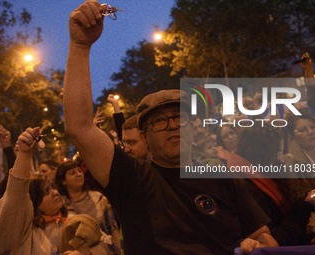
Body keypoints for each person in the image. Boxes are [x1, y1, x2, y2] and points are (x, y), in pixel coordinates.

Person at [63, 2, 278, 254]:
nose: (173, 125)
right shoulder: (131, 178)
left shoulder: (222, 178)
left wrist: (256, 245)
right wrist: (80, 45)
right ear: (143, 136)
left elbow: (264, 238)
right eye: (160, 120)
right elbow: (79, 127)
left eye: (180, 117)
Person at [0, 127, 113, 254]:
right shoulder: (24, 234)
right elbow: (15, 195)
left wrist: (85, 253)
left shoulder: (76, 221)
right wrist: (24, 155)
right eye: (46, 192)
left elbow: (110, 245)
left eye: (53, 187)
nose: (55, 193)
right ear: (33, 202)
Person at [54, 160, 121, 254]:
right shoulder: (61, 205)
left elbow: (113, 229)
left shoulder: (99, 199)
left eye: (79, 171)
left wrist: (116, 249)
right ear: (63, 181)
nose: (78, 174)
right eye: (72, 173)